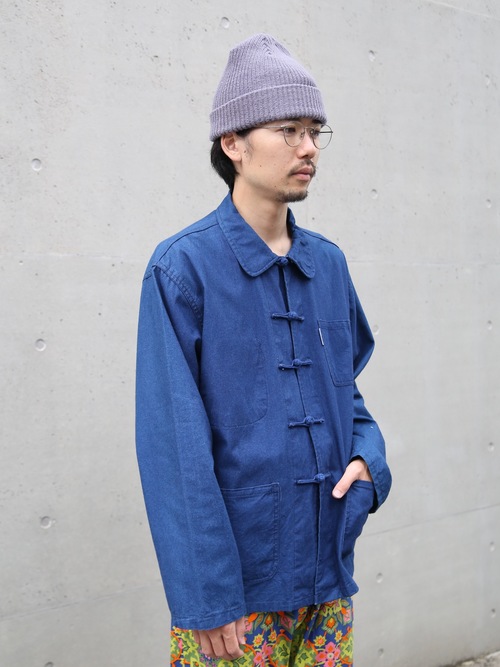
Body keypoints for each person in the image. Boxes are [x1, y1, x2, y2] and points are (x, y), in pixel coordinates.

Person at [136, 33, 391, 667]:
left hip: (328, 577)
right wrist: (206, 595)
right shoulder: (182, 269)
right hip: (237, 596)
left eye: (315, 131)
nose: (309, 148)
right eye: (288, 130)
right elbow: (173, 446)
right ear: (233, 144)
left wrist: (369, 461)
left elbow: (346, 392)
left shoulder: (327, 264)